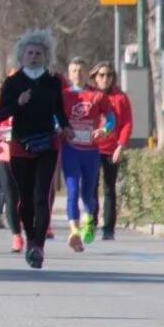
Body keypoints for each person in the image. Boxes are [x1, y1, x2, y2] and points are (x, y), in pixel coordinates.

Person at [0, 30, 71, 270]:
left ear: (45, 56)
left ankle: (38, 245)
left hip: (47, 143)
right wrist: (18, 103)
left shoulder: (53, 81)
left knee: (42, 195)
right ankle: (30, 238)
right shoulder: (13, 81)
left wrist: (66, 126)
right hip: (20, 143)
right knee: (25, 199)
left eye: (39, 53)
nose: (34, 57)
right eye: (30, 53)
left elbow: (59, 110)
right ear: (22, 55)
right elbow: (0, 113)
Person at [60, 57, 113, 251]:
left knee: (88, 193)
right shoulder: (63, 95)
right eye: (73, 71)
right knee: (72, 191)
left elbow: (111, 120)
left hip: (91, 151)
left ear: (86, 73)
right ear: (69, 73)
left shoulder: (98, 96)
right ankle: (74, 230)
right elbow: (54, 118)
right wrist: (61, 128)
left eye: (81, 71)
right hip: (70, 150)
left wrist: (104, 130)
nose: (77, 74)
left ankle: (88, 220)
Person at [90, 62, 132, 240]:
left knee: (109, 189)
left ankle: (108, 229)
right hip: (91, 149)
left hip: (111, 150)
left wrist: (120, 146)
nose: (105, 78)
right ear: (95, 77)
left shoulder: (120, 97)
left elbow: (127, 124)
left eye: (108, 75)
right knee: (90, 189)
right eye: (101, 75)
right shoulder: (89, 95)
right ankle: (90, 226)